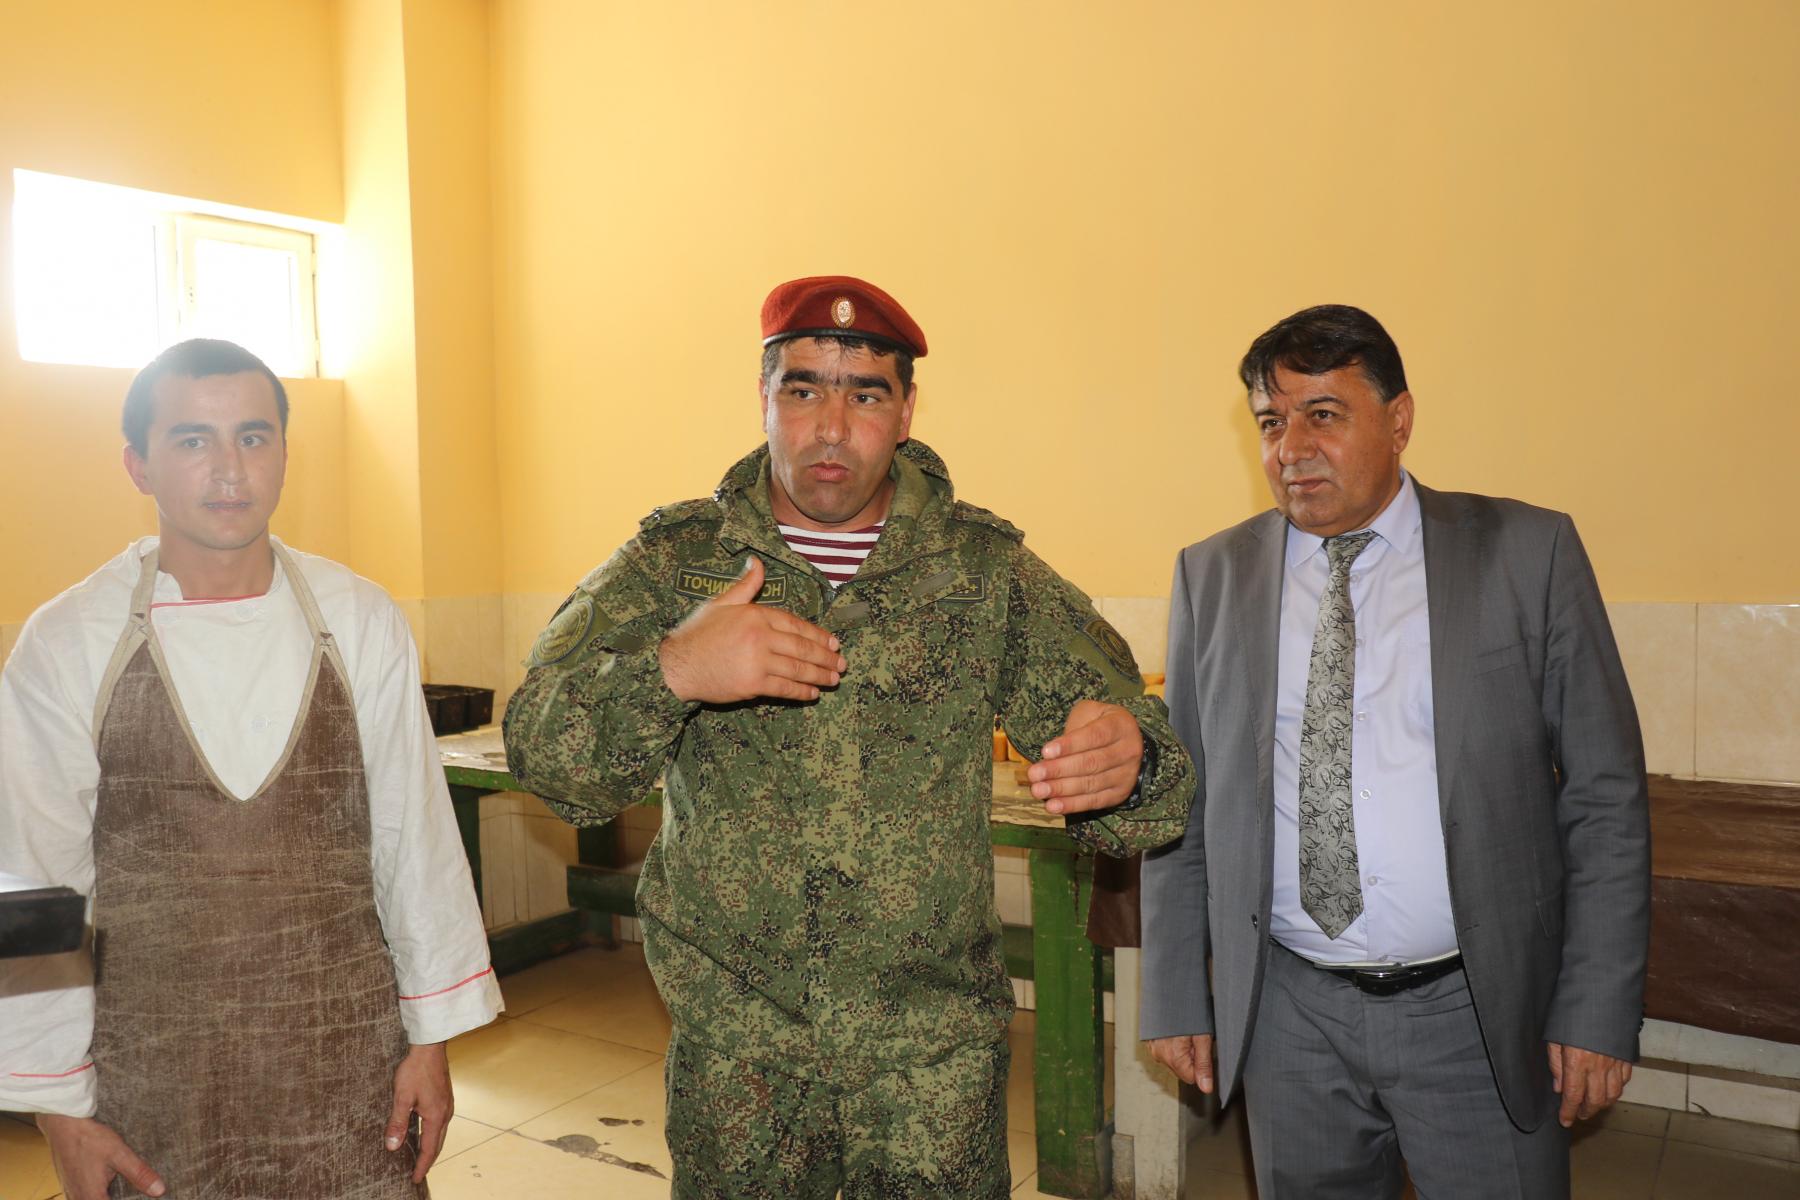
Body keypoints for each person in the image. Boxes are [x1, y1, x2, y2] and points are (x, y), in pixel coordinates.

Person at [504, 275, 1197, 1199]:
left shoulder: (982, 573)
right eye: (803, 390)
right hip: (738, 1058)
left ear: (905, 412)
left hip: (932, 1062)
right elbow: (544, 753)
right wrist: (673, 670)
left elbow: (1150, 769)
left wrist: (1128, 763)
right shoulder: (676, 563)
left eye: (865, 395)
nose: (831, 428)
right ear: (763, 399)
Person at [1140, 305, 1650, 1198]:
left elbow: (1605, 796)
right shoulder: (1210, 576)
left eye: (1323, 414)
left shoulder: (1525, 556)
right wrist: (1178, 991)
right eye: (1271, 421)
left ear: (1400, 420)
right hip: (1289, 1015)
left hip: (1477, 1010)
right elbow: (1183, 801)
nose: (1291, 448)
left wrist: (1597, 1007)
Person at [0, 339, 501, 1199]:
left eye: (254, 437)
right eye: (193, 440)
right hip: (153, 1083)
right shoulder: (69, 641)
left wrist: (430, 1039)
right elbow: (40, 884)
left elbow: (414, 846)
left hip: (349, 1071)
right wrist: (59, 1109)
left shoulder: (359, 620)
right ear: (139, 465)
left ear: (283, 454)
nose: (230, 469)